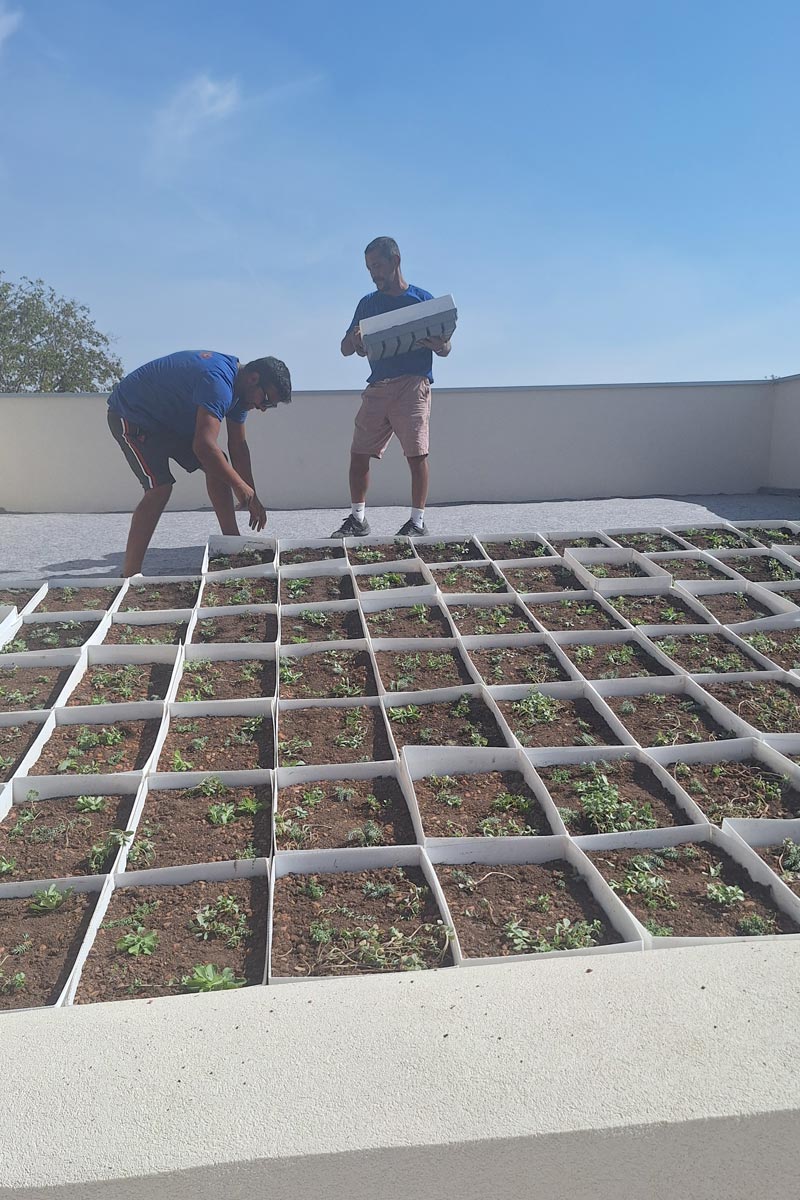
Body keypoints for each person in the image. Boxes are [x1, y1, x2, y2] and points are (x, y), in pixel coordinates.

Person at [107, 349, 291, 576]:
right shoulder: (219, 383)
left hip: (169, 421)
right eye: (265, 400)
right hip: (133, 415)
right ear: (254, 378)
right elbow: (203, 447)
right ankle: (130, 576)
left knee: (219, 463)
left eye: (269, 406)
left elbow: (238, 448)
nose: (262, 408)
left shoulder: (239, 393)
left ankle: (231, 543)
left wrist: (252, 495)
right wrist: (240, 487)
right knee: (160, 488)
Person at [330, 236, 453, 538]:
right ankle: (358, 520)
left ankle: (418, 522)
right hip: (377, 387)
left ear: (395, 260)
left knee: (416, 455)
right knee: (359, 453)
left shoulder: (422, 300)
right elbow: (346, 348)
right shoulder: (367, 303)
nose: (374, 274)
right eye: (370, 268)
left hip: (413, 384)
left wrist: (441, 344)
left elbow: (446, 347)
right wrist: (355, 339)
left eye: (378, 266)